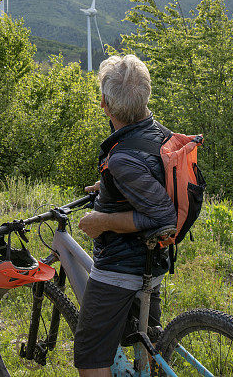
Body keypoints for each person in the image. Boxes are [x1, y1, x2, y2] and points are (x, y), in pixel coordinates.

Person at [74, 54, 176, 376]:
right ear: (146, 96)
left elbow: (162, 216)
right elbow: (149, 178)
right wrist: (109, 186)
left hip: (122, 266)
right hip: (154, 260)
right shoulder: (159, 133)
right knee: (146, 341)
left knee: (90, 356)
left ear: (104, 104)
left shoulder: (122, 159)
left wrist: (102, 221)